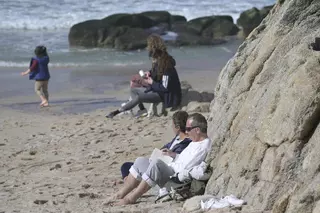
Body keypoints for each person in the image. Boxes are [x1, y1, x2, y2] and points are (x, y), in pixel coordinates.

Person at [106, 113, 212, 206]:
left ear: (197, 130)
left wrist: (167, 165)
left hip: (177, 179)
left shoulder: (203, 146)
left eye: (188, 129)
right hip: (173, 170)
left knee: (157, 164)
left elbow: (185, 168)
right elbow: (183, 159)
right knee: (140, 161)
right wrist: (174, 156)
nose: (187, 132)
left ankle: (131, 198)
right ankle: (120, 194)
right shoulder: (194, 142)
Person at [106, 35, 182, 118]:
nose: (147, 49)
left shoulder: (166, 65)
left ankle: (117, 112)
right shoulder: (159, 61)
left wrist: (151, 82)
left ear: (154, 49)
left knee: (139, 97)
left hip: (166, 95)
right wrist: (149, 73)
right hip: (157, 90)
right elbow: (156, 73)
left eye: (149, 47)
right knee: (133, 90)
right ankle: (142, 109)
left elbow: (164, 88)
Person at [119, 111, 192, 197]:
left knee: (136, 166)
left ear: (178, 127)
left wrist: (171, 154)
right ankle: (129, 185)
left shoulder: (186, 143)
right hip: (158, 165)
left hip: (163, 173)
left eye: (172, 125)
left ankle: (132, 187)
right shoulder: (178, 138)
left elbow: (176, 163)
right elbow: (165, 147)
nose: (171, 127)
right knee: (127, 165)